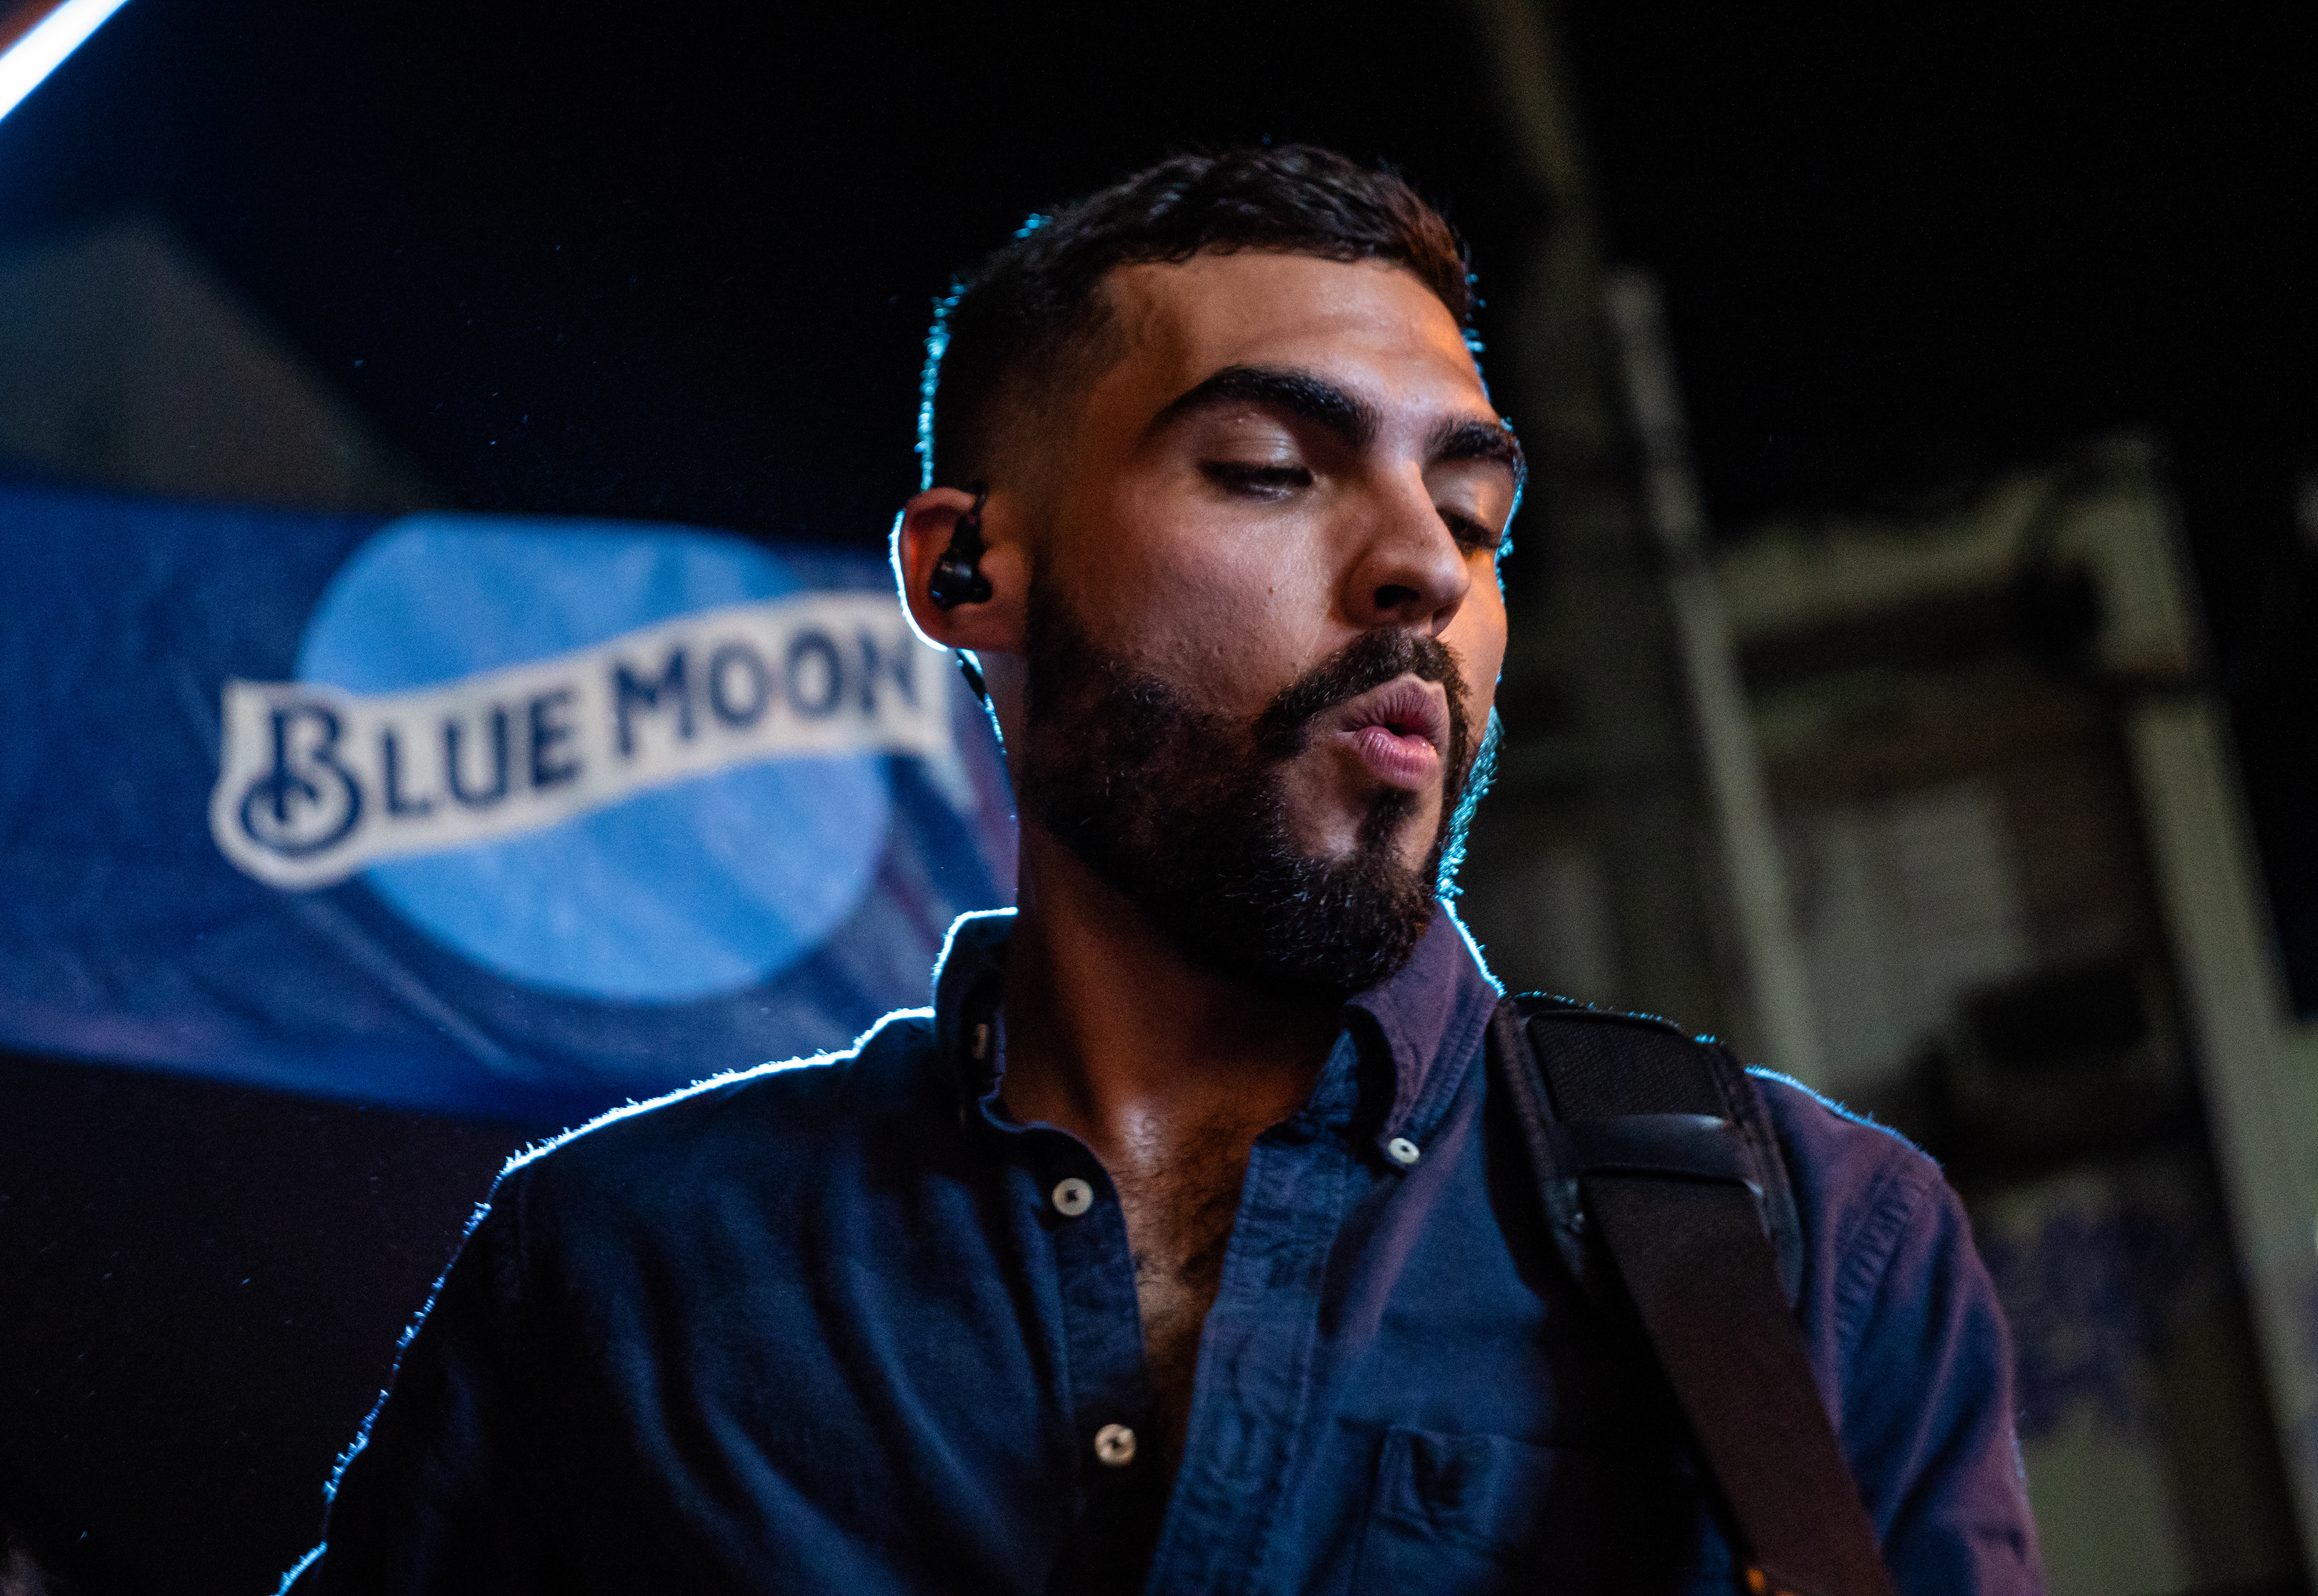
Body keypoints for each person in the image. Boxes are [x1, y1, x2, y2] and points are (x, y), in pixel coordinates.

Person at [285, 145, 2043, 1594]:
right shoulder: (622, 1278)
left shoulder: (1811, 1248)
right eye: (1272, 471)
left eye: (1474, 516)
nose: (1426, 568)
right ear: (967, 572)